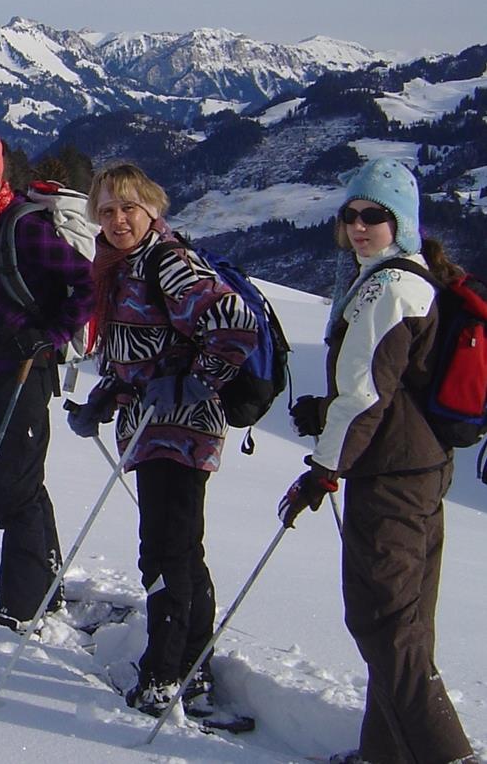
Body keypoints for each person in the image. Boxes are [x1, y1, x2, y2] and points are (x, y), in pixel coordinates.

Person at [278, 158, 476, 764]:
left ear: (402, 223)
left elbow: (365, 396)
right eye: (351, 216)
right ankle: (384, 753)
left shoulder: (390, 290)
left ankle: (448, 757)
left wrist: (323, 468)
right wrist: (327, 412)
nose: (359, 226)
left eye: (375, 216)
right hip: (419, 468)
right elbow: (386, 388)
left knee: (385, 628)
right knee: (407, 624)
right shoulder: (408, 278)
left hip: (389, 480)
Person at [66, 162, 258, 718]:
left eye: (129, 207)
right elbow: (141, 353)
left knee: (165, 553)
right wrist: (106, 397)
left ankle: (163, 675)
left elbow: (235, 324)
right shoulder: (125, 266)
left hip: (181, 430)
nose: (118, 219)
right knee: (182, 551)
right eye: (106, 210)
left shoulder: (167, 262)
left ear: (153, 209)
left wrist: (191, 383)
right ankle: (191, 667)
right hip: (152, 425)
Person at [0, 125, 97, 631]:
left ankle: (23, 603)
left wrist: (50, 335)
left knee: (15, 487)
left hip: (25, 371)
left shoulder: (25, 225)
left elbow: (86, 284)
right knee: (15, 480)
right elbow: (2, 292)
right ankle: (42, 587)